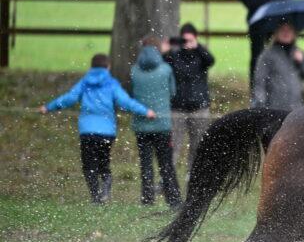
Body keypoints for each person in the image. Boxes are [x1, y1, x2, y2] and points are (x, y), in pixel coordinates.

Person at [39, 53, 155, 204]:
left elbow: (69, 98)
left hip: (87, 131)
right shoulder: (111, 83)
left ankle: (95, 197)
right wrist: (146, 111)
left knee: (89, 165)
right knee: (104, 162)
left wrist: (48, 107)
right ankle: (105, 189)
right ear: (108, 67)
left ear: (91, 67)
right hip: (107, 132)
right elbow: (126, 102)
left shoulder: (85, 82)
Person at [131, 36, 182, 208]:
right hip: (162, 124)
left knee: (146, 164)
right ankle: (173, 200)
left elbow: (132, 94)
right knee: (166, 164)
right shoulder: (166, 69)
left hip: (141, 125)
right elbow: (173, 92)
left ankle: (147, 199)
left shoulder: (134, 71)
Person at [163, 22, 215, 169]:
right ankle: (167, 179)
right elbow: (162, 67)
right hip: (177, 108)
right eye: (184, 40)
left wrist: (197, 47)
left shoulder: (201, 55)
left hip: (199, 108)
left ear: (196, 38)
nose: (187, 43)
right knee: (173, 146)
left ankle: (193, 176)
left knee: (197, 145)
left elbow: (211, 61)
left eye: (190, 39)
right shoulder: (174, 55)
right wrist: (164, 52)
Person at [252, 22, 304, 112]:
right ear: (275, 33)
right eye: (282, 30)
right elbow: (259, 83)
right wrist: (260, 106)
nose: (286, 33)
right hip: (274, 109)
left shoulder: (299, 54)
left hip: (296, 110)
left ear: (294, 34)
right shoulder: (267, 55)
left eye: (289, 30)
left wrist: (302, 62)